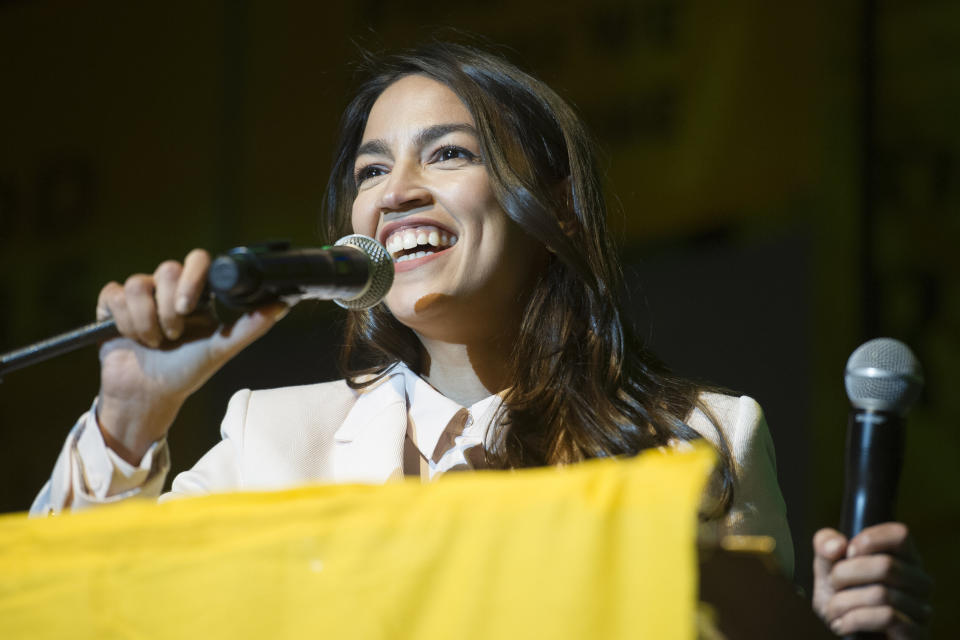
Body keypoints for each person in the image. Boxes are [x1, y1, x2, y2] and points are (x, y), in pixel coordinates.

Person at [31, 41, 930, 636]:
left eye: (448, 153)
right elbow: (67, 615)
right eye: (372, 169)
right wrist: (130, 418)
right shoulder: (269, 437)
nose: (397, 191)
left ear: (551, 212)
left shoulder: (702, 438)